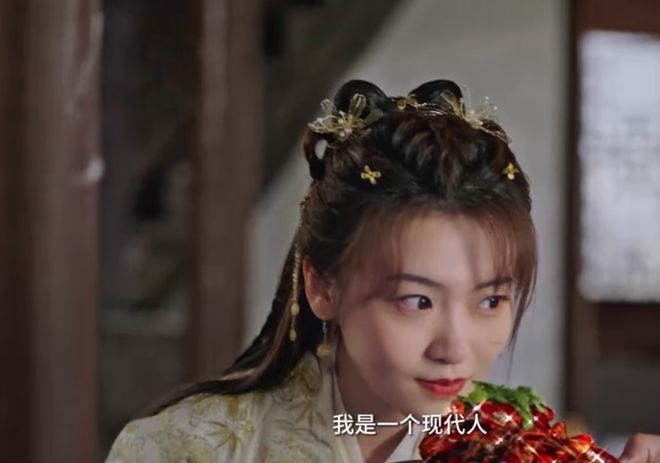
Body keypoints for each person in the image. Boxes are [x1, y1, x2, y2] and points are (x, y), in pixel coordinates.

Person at [106, 79, 660, 463]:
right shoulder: (187, 447)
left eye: (490, 301)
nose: (454, 348)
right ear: (322, 286)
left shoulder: (515, 444)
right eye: (417, 301)